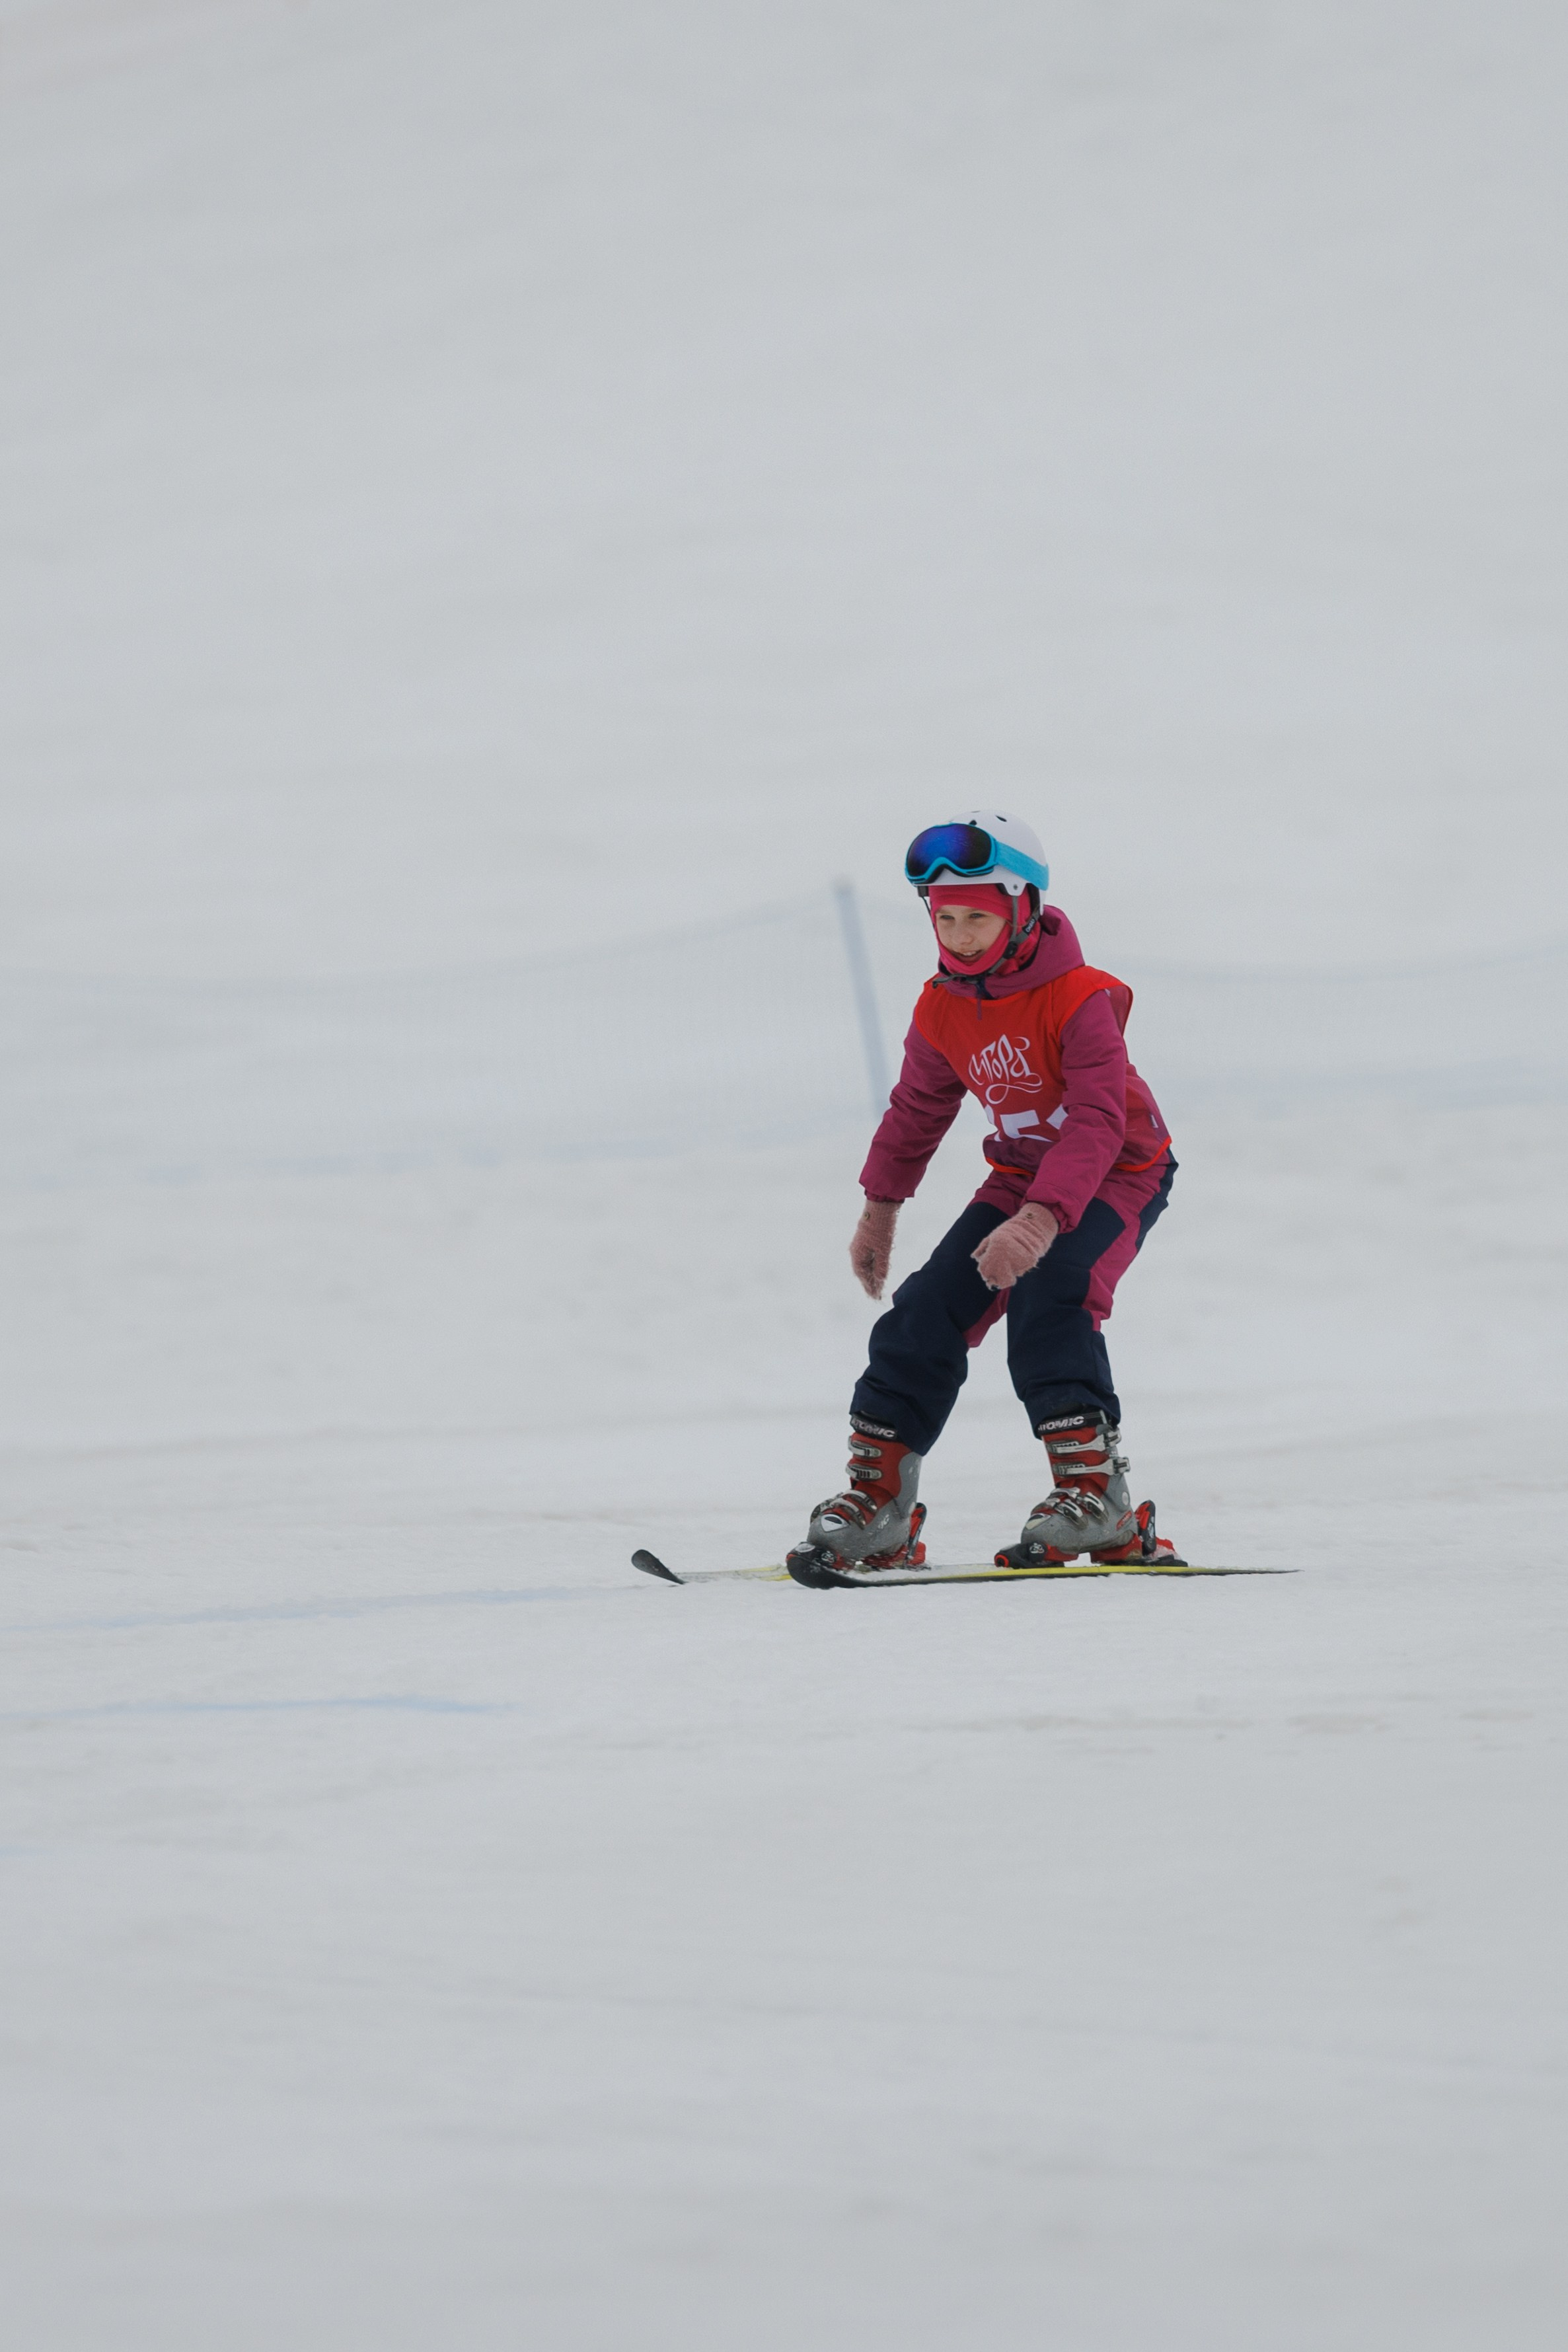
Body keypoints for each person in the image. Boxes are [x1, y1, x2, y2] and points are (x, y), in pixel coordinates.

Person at [789, 812, 1181, 1577]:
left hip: (1120, 1172)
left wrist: (1039, 1223)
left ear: (1024, 911)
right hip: (1020, 1179)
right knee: (923, 1312)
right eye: (947, 919)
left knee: (1053, 1298)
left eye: (980, 917)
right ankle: (878, 1508)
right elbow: (917, 1111)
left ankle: (1098, 1501)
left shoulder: (1080, 997)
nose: (963, 935)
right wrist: (881, 1207)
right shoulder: (941, 1004)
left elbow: (1100, 1122)